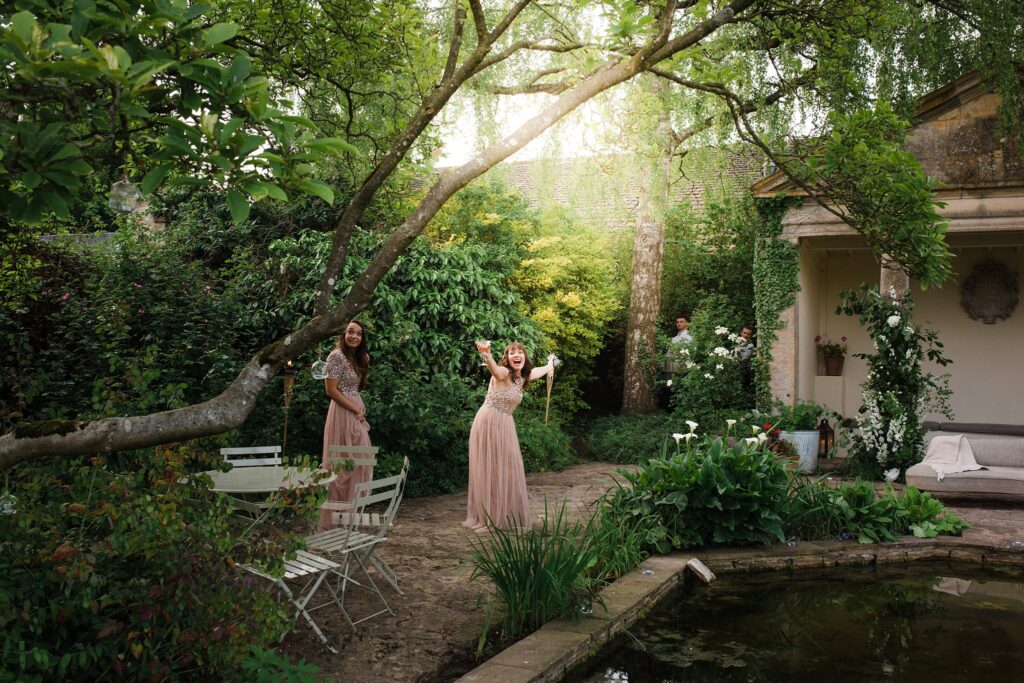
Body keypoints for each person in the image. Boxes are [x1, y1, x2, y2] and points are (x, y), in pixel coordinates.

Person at [463, 341, 556, 533]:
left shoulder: (522, 377)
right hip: (489, 422)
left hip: (505, 424)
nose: (517, 355)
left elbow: (537, 371)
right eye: (512, 353)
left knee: (505, 469)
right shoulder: (504, 373)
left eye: (520, 352)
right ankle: (490, 517)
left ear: (524, 357)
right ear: (507, 358)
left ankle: (503, 514)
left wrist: (550, 364)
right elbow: (496, 371)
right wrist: (487, 356)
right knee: (491, 469)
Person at [318, 320, 372, 530]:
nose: (354, 336)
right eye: (351, 332)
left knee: (359, 460)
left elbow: (355, 387)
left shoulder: (362, 357)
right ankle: (333, 522)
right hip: (341, 411)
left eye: (358, 334)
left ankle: (349, 517)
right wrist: (354, 408)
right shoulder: (335, 356)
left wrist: (359, 408)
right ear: (343, 333)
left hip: (356, 408)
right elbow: (331, 390)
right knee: (340, 464)